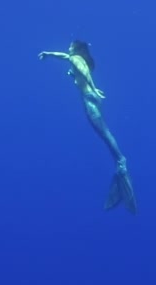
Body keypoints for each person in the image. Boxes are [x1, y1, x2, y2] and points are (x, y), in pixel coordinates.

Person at [38, 40, 137, 214]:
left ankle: (121, 161)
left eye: (70, 45)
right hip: (91, 97)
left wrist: (94, 88)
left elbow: (82, 72)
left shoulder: (75, 59)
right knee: (104, 132)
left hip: (89, 99)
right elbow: (74, 66)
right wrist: (50, 55)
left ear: (76, 48)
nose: (68, 47)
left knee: (105, 133)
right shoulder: (77, 60)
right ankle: (119, 162)